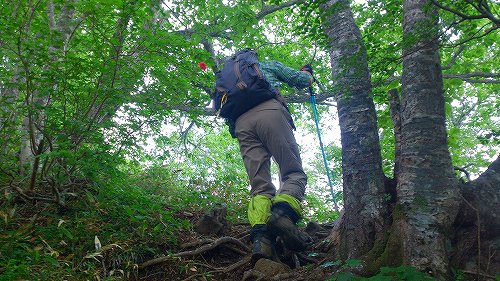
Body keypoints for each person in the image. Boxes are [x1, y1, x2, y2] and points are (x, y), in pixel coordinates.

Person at [232, 59, 314, 265]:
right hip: (270, 112)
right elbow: (300, 80)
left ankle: (262, 240)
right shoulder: (265, 65)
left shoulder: (230, 79)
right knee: (293, 172)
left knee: (259, 186)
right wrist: (307, 73)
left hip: (241, 124)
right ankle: (282, 214)